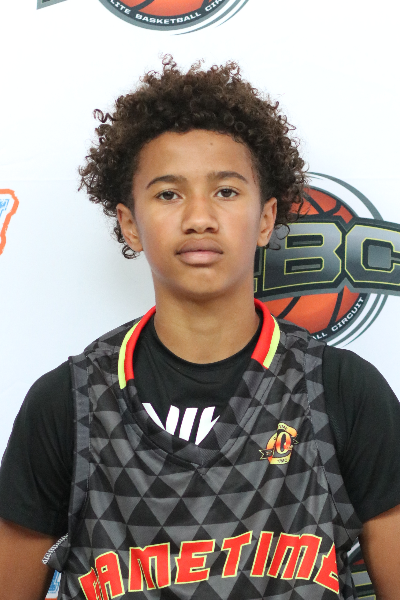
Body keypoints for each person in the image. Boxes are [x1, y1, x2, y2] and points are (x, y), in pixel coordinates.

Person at [0, 57, 400, 600]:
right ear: (129, 224)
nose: (199, 218)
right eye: (168, 193)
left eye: (226, 191)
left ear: (266, 218)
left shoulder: (341, 391)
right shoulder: (66, 403)